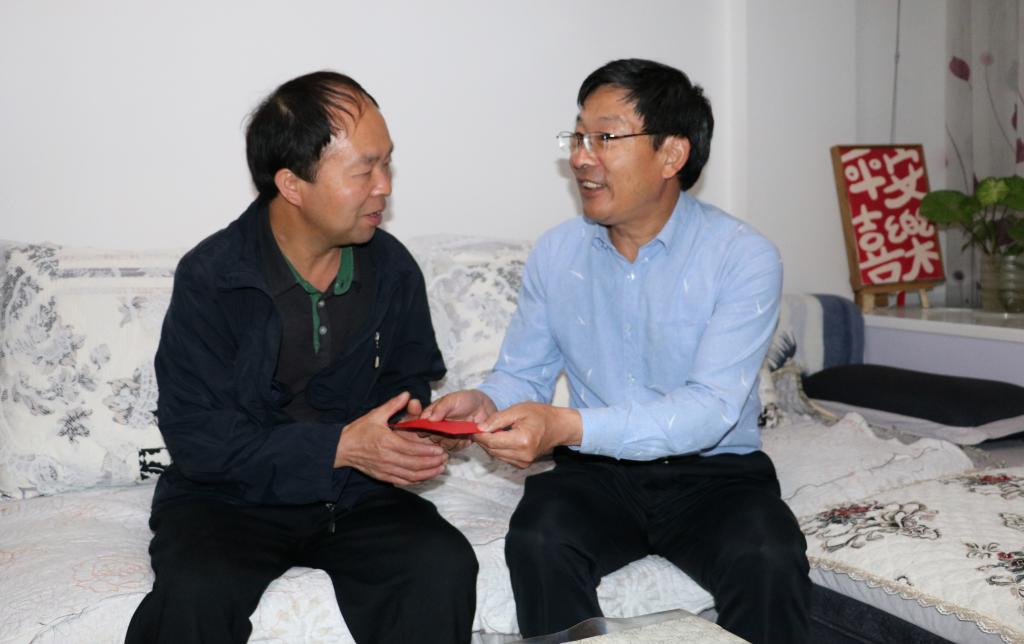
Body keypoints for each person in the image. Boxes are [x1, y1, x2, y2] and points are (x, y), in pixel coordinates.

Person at [423, 58, 810, 643]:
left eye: (604, 138)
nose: (581, 157)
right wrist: (482, 403)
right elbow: (523, 375)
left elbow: (710, 410)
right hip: (597, 474)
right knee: (539, 539)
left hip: (714, 475)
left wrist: (565, 425)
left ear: (671, 154)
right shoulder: (558, 253)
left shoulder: (742, 257)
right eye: (578, 137)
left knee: (769, 554)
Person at [126, 71, 477, 644]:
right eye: (364, 170)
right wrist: (338, 446)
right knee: (195, 593)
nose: (385, 186)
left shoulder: (391, 269)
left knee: (442, 565)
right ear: (292, 184)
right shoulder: (214, 277)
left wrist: (425, 428)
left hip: (357, 495)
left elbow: (405, 381)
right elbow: (200, 440)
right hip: (227, 502)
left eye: (388, 163)